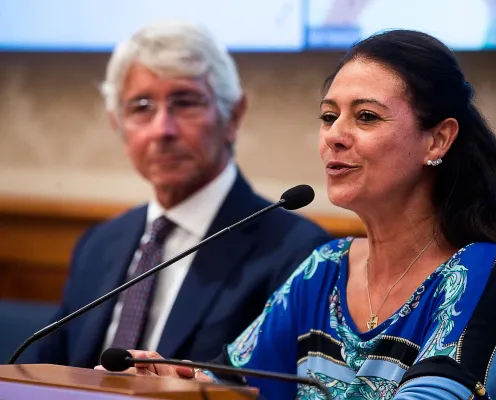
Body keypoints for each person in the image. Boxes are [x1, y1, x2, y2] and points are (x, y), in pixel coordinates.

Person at [100, 29, 496, 400]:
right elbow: (234, 385)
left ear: (437, 140)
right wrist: (178, 382)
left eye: (366, 117)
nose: (335, 136)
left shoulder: (480, 270)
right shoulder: (323, 270)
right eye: (329, 117)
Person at [22, 21, 331, 368]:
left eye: (185, 103)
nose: (162, 130)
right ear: (117, 124)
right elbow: (40, 371)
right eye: (141, 107)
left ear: (233, 115)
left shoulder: (298, 253)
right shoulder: (99, 245)